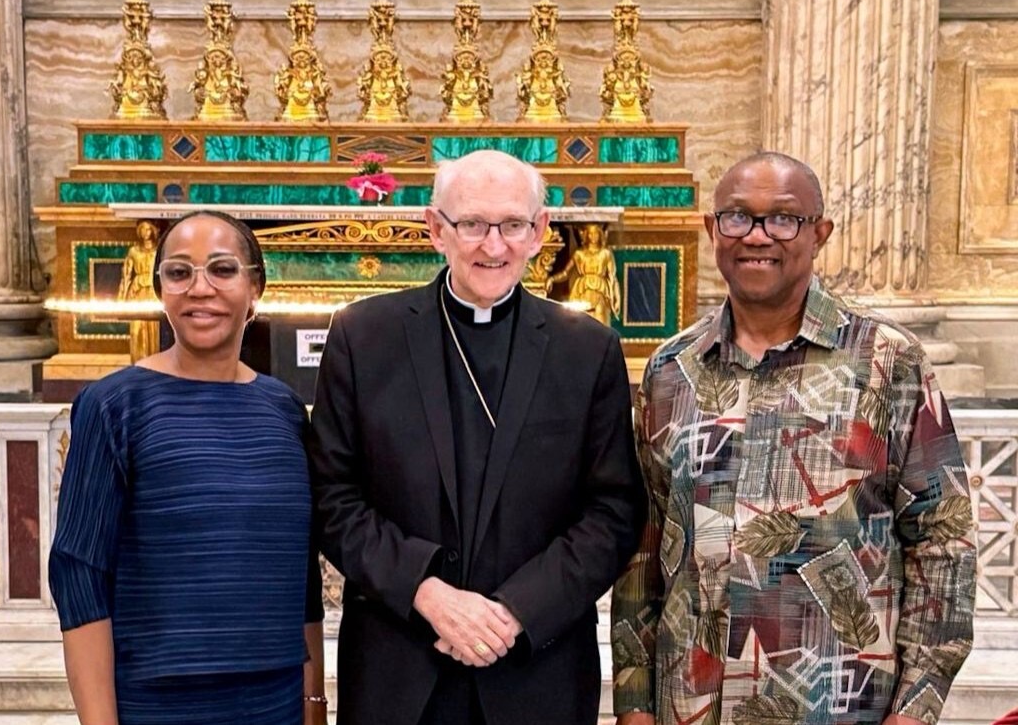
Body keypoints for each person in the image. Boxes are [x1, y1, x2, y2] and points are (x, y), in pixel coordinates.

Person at [611, 152, 977, 725]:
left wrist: (914, 709)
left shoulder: (886, 361)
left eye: (783, 218)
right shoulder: (670, 370)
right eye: (737, 217)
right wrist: (634, 704)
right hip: (692, 706)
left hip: (838, 707)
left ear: (819, 232)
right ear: (712, 231)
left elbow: (943, 540)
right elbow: (643, 551)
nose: (758, 236)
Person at [308, 149, 646, 725]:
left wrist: (515, 611)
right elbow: (332, 497)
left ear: (540, 231)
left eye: (513, 225)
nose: (494, 246)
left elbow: (614, 510)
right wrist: (427, 594)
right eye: (472, 225)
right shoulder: (364, 337)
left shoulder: (587, 350)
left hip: (537, 672)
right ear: (436, 229)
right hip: (400, 669)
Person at [50, 210, 327, 725]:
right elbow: (79, 574)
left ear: (255, 288)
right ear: (160, 290)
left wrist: (314, 703)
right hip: (156, 702)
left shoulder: (284, 409)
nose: (200, 288)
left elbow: (300, 573)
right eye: (179, 273)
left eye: (222, 270)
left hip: (274, 700)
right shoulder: (115, 405)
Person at [117, 220, 160, 363]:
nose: (145, 232)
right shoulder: (133, 251)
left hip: (154, 292)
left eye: (148, 229)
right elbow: (126, 275)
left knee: (154, 330)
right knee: (137, 329)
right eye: (142, 229)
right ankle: (138, 362)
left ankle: (154, 362)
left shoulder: (159, 250)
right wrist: (121, 299)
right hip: (138, 292)